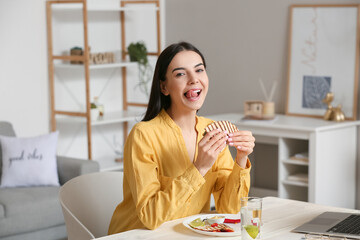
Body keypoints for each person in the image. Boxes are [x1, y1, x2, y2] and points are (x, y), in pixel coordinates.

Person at [108, 42, 255, 234]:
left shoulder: (213, 132)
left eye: (199, 70)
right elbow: (150, 216)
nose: (194, 79)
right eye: (180, 74)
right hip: (136, 235)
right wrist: (199, 168)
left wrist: (241, 159)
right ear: (164, 87)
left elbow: (230, 210)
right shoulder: (143, 135)